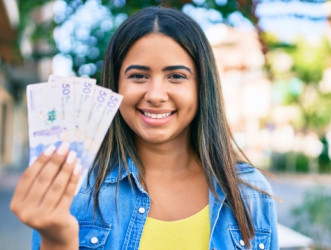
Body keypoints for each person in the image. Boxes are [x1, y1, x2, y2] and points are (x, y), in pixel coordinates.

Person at [10, 6, 278, 250]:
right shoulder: (75, 189)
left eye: (176, 76)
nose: (156, 94)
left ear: (202, 87)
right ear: (115, 86)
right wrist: (58, 241)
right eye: (138, 76)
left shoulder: (250, 193)